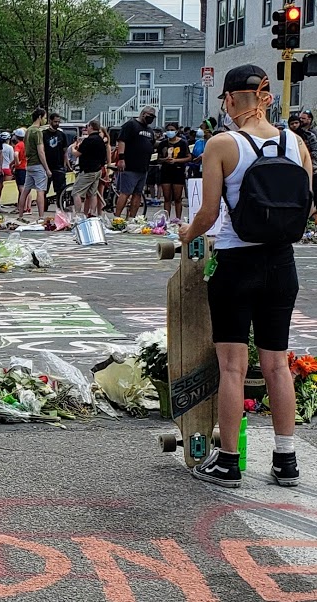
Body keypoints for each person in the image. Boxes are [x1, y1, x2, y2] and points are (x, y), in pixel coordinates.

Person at [182, 64, 310, 489]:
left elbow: (209, 212)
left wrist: (188, 234)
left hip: (238, 265)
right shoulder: (297, 144)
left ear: (232, 99)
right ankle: (286, 459)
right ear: (266, 96)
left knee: (233, 368)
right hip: (282, 264)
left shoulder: (222, 144)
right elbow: (306, 207)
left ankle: (230, 462)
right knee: (277, 364)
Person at [114, 106, 157, 218]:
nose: (151, 118)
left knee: (138, 193)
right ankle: (117, 217)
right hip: (130, 165)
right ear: (143, 114)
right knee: (126, 192)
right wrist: (121, 158)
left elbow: (151, 144)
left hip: (143, 167)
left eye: (153, 117)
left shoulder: (150, 130)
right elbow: (122, 141)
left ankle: (132, 218)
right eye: (150, 115)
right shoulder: (131, 125)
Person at [69, 120, 108, 216]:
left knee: (76, 192)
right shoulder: (100, 140)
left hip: (88, 171)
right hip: (98, 169)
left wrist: (73, 148)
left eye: (88, 126)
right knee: (92, 193)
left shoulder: (89, 140)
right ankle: (92, 213)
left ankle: (77, 215)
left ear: (91, 127)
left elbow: (77, 154)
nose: (87, 128)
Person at [17, 109, 49, 217]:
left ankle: (20, 214)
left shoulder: (28, 131)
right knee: (40, 191)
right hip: (38, 164)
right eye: (44, 117)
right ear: (40, 117)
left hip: (29, 164)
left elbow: (26, 149)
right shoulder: (38, 132)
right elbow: (41, 151)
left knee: (25, 190)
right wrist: (47, 168)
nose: (45, 120)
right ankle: (41, 217)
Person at [156, 122, 190, 220]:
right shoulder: (163, 143)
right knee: (167, 198)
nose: (170, 132)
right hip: (166, 172)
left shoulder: (183, 143)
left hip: (178, 171)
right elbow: (158, 158)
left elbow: (188, 157)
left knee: (178, 198)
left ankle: (178, 219)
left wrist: (176, 160)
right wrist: (164, 160)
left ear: (177, 131)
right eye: (168, 130)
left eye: (172, 130)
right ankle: (166, 219)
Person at [43, 113, 70, 209]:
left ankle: (60, 207)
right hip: (46, 166)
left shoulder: (62, 135)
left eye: (58, 122)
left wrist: (66, 165)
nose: (57, 124)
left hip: (59, 166)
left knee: (60, 189)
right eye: (55, 121)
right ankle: (43, 207)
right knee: (43, 189)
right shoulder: (44, 134)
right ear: (50, 121)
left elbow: (65, 152)